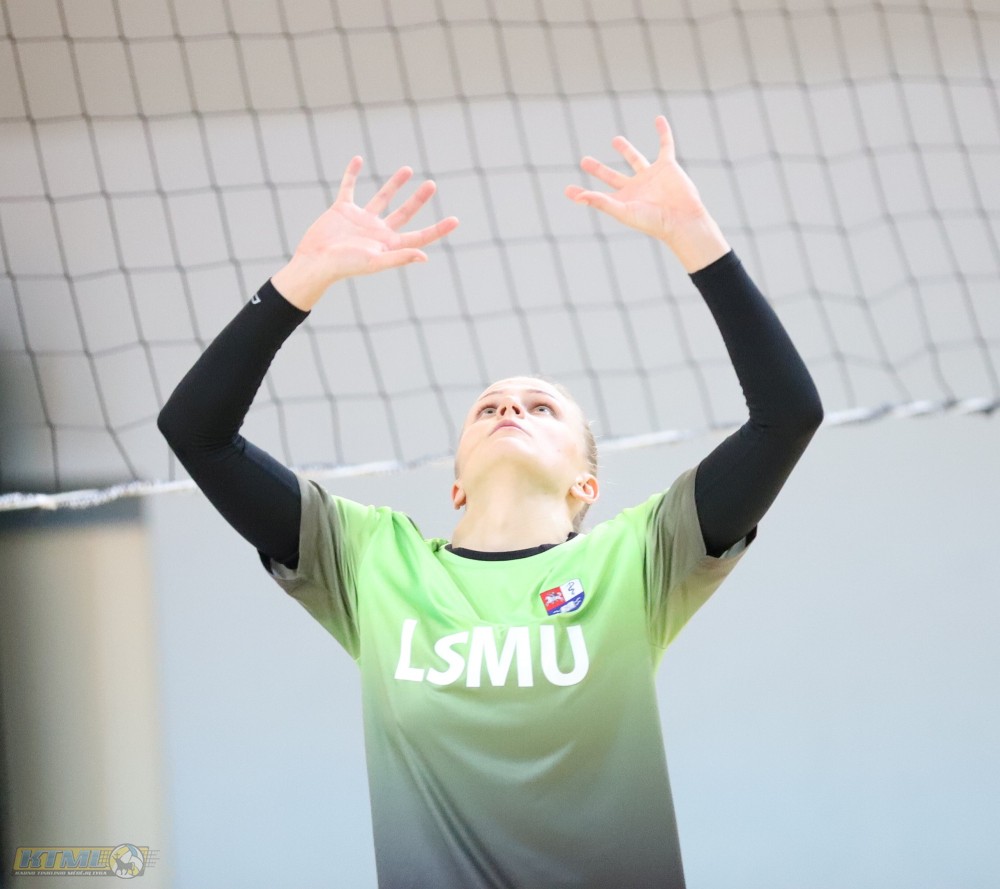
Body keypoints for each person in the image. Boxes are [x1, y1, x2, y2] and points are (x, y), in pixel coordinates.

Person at [158, 115, 823, 889]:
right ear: (456, 483)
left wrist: (696, 237)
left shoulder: (639, 555)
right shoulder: (372, 559)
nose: (510, 407)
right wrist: (300, 279)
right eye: (489, 407)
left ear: (585, 484)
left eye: (541, 408)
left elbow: (787, 416)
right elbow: (197, 433)